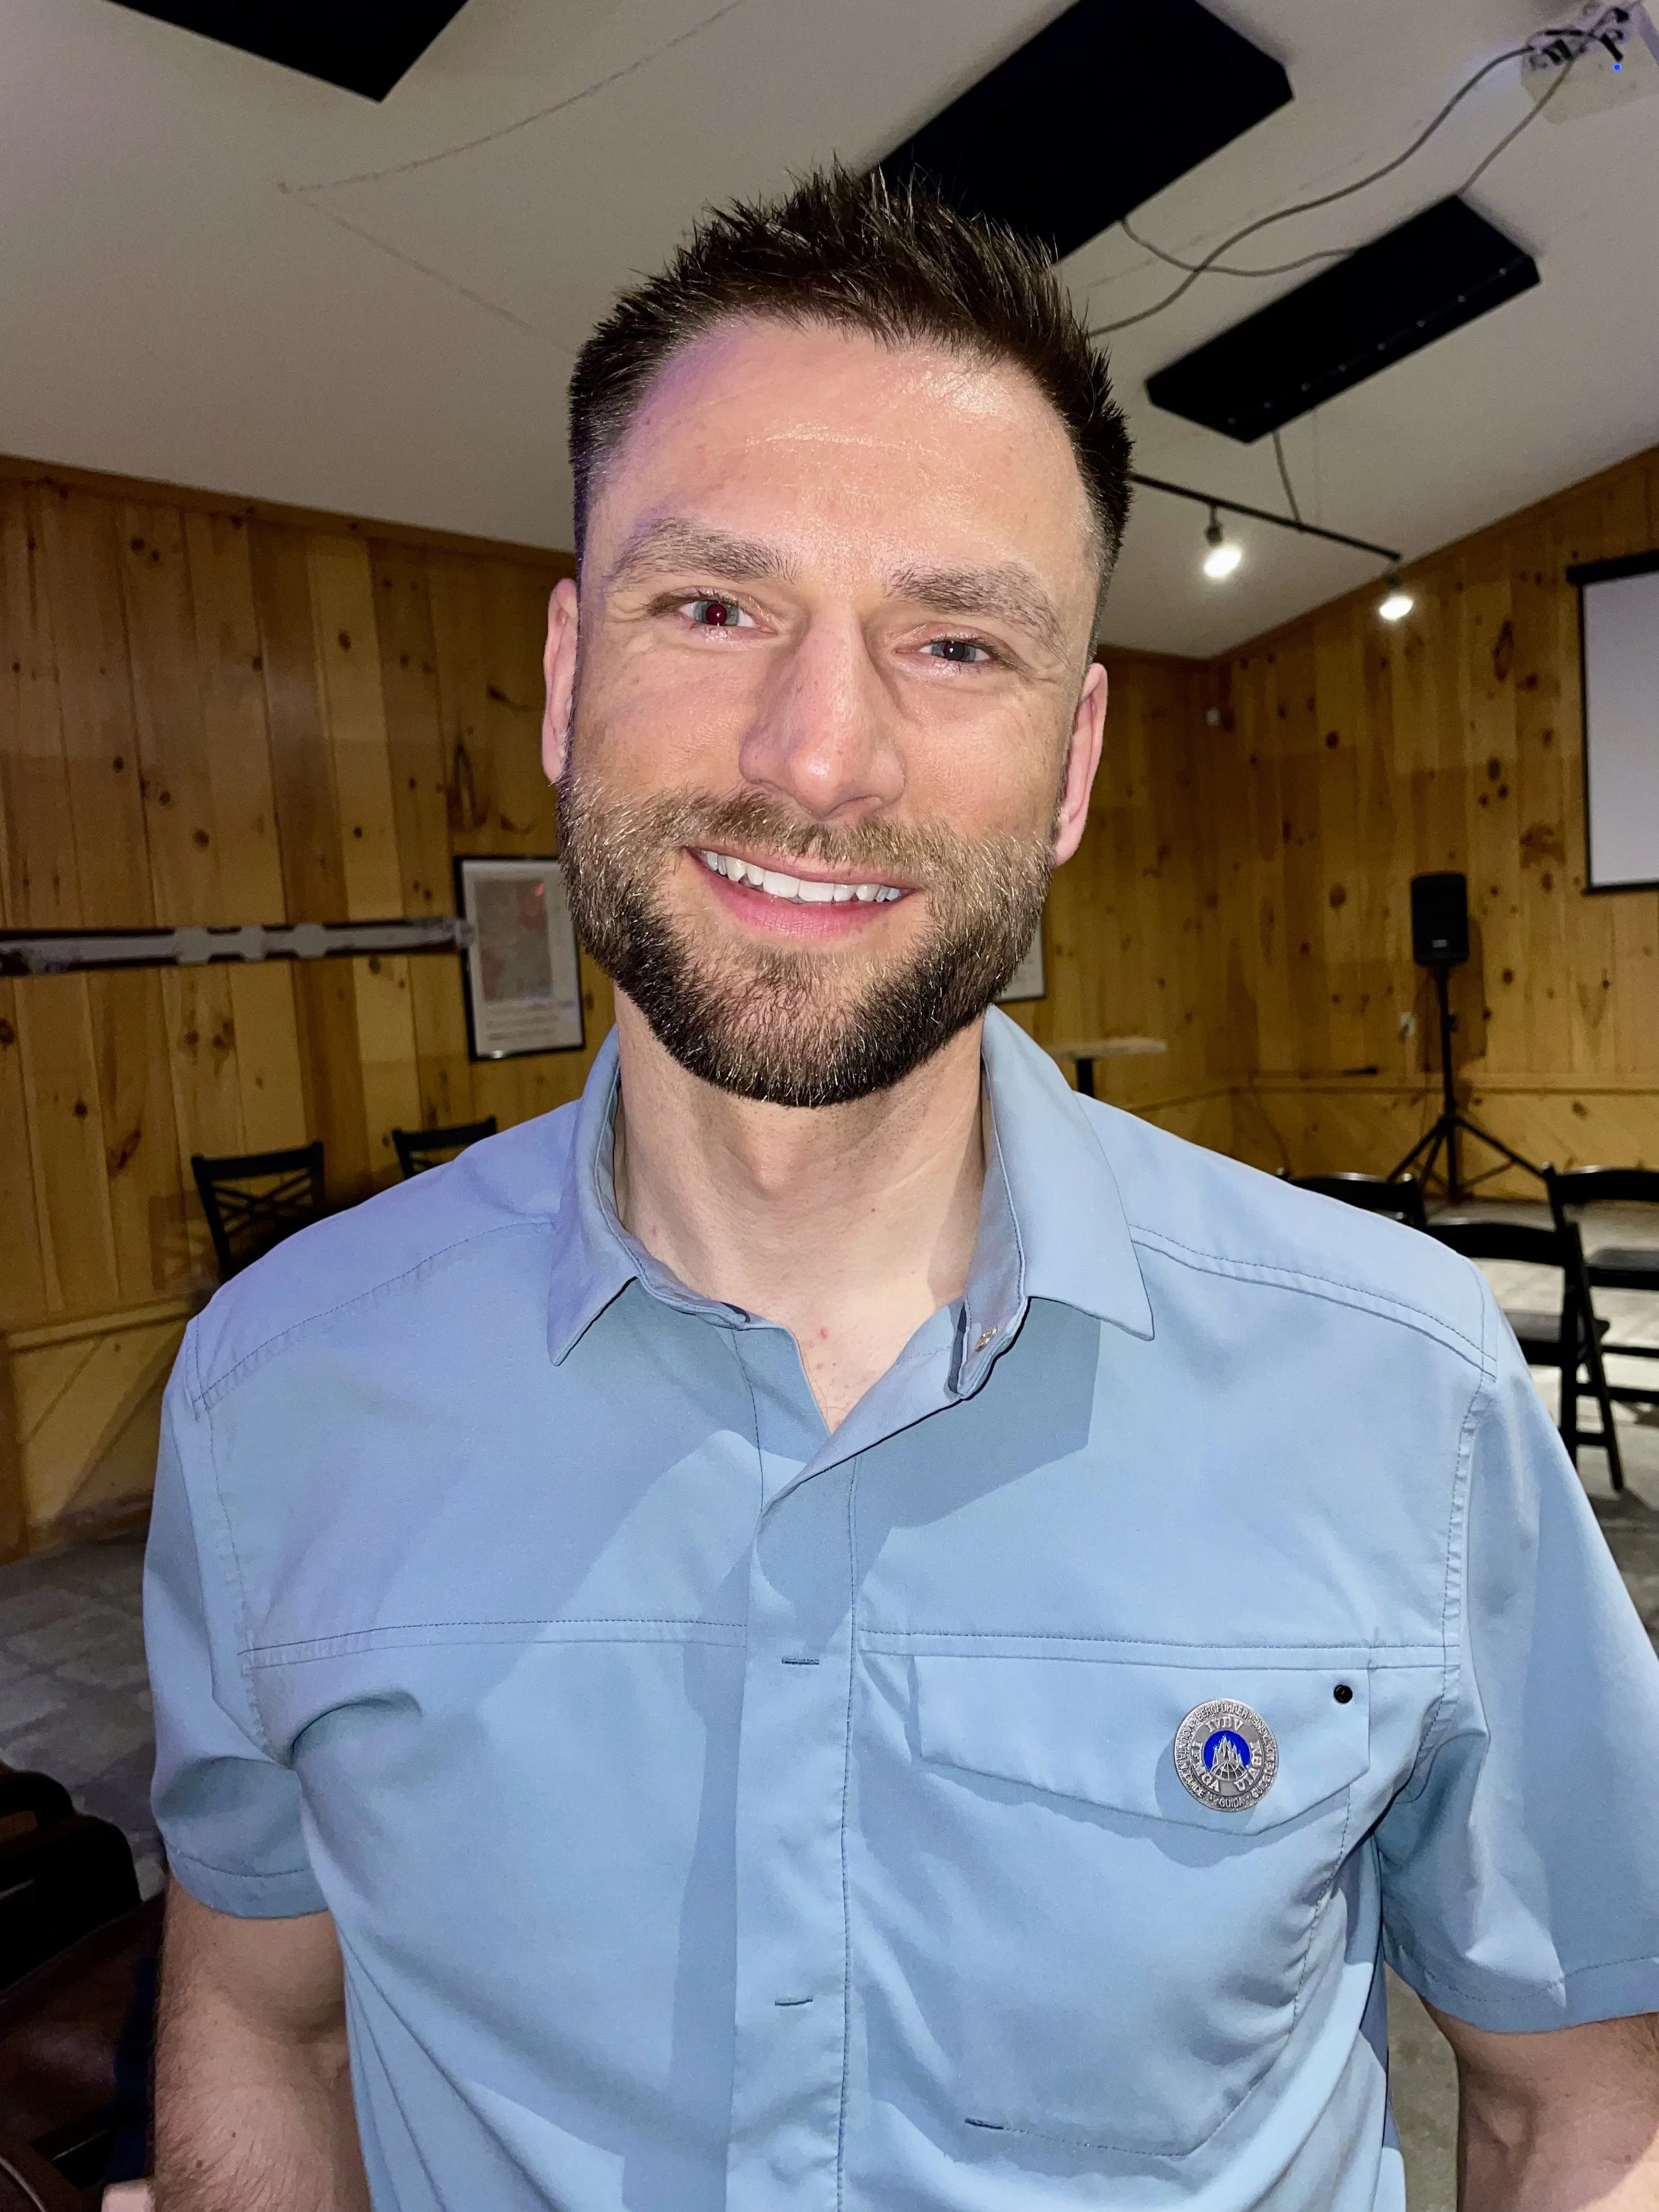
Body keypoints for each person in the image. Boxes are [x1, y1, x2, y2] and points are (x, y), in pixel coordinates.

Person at [141, 168, 1659, 2212]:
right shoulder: (274, 1395)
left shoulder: (1404, 1392)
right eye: (715, 604)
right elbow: (260, 2004)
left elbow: (1577, 2100)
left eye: (952, 640)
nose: (820, 751)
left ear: (1072, 758)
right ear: (569, 671)